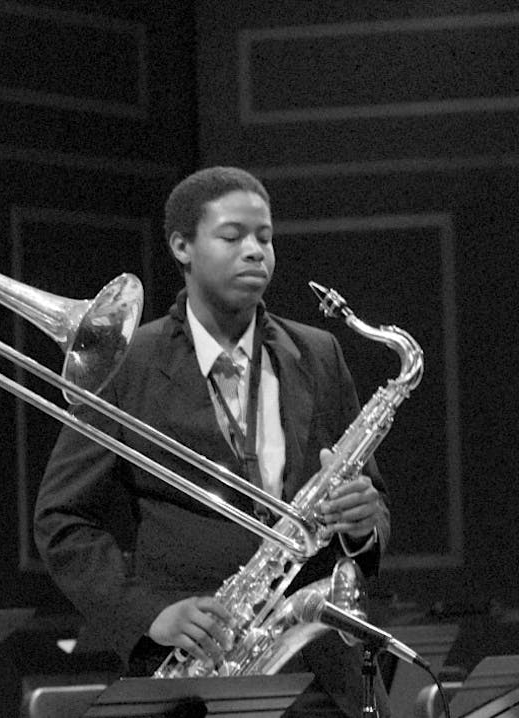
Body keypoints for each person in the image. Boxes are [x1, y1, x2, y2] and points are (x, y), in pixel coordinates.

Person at [34, 166, 391, 717]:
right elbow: (62, 521)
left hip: (323, 678)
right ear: (182, 246)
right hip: (196, 676)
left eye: (265, 238)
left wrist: (365, 524)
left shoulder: (318, 353)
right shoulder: (128, 364)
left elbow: (373, 504)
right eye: (232, 237)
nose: (255, 252)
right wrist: (150, 614)